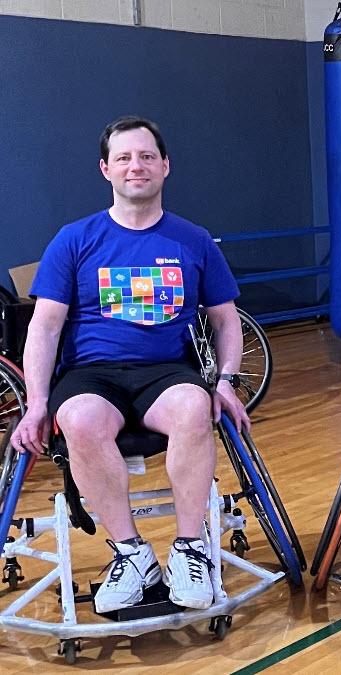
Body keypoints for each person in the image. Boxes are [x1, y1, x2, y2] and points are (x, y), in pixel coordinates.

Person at [9, 116, 250, 613]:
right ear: (105, 169)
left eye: (145, 156)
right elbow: (45, 327)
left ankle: (189, 549)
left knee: (193, 405)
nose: (135, 166)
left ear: (165, 165)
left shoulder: (193, 240)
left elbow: (227, 321)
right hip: (91, 375)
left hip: (165, 370)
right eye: (123, 157)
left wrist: (225, 382)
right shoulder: (75, 240)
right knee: (78, 419)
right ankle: (132, 554)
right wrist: (36, 405)